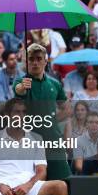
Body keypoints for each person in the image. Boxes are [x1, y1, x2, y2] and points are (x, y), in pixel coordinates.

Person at [14, 43, 70, 180]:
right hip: (29, 141)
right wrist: (22, 87)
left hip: (53, 140)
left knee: (63, 181)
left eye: (39, 59)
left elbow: (66, 107)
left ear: (46, 61)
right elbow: (18, 90)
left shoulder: (54, 84)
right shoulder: (21, 81)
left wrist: (51, 121)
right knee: (33, 184)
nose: (35, 62)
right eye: (31, 59)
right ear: (26, 62)